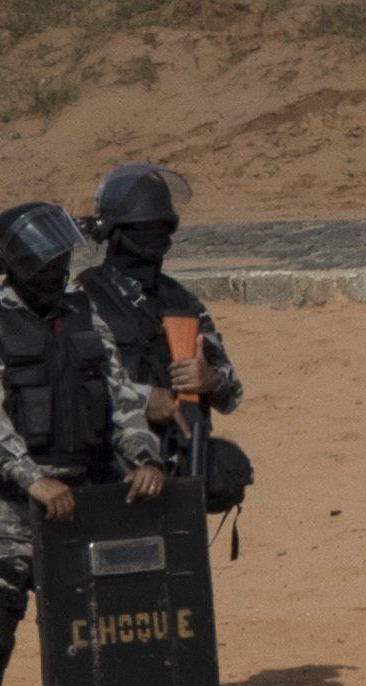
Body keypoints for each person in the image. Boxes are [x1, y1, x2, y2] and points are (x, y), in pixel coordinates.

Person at [0, 202, 167, 686]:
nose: (55, 272)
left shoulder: (85, 314)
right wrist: (33, 479)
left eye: (60, 260)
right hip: (9, 507)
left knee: (100, 638)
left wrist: (144, 456)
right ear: (12, 267)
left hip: (88, 500)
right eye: (42, 264)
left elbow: (122, 400)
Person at [73, 163, 243, 494]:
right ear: (114, 232)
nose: (153, 239)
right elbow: (70, 389)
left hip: (180, 469)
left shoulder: (182, 302)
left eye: (161, 228)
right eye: (142, 228)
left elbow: (232, 394)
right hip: (111, 475)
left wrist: (209, 379)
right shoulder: (81, 300)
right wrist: (143, 398)